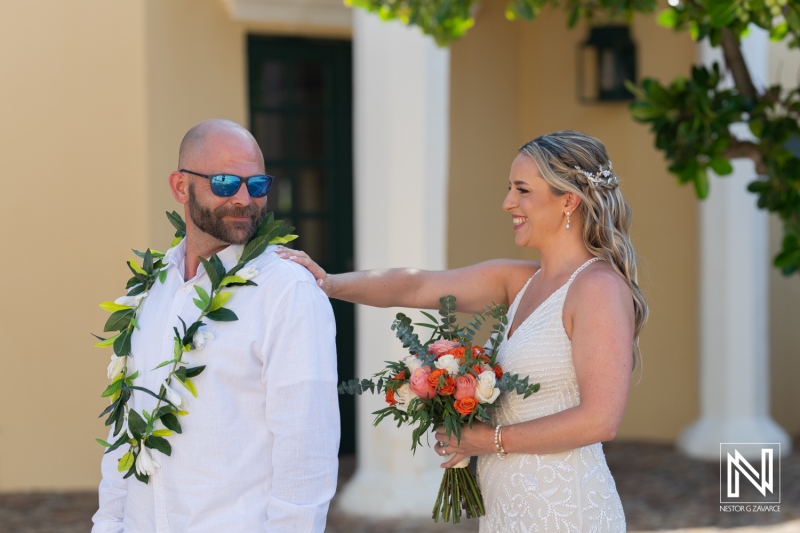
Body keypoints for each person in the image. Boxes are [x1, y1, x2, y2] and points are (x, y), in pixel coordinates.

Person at [279, 130, 647, 532]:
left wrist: (484, 441)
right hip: (506, 509)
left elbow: (600, 420)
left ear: (569, 201)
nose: (508, 203)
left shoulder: (598, 288)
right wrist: (328, 283)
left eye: (522, 190)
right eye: (510, 189)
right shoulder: (519, 281)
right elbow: (417, 285)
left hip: (565, 511)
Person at [92, 119, 340, 532]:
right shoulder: (152, 288)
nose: (244, 199)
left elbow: (306, 454)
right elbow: (126, 429)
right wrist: (108, 524)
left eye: (257, 184)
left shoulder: (286, 291)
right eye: (225, 183)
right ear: (180, 187)